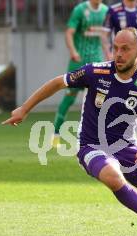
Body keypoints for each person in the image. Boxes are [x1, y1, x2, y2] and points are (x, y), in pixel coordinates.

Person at [2, 28, 137, 236]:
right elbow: (58, 82)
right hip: (91, 146)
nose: (118, 54)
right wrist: (24, 109)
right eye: (115, 48)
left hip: (126, 147)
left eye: (125, 49)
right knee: (114, 178)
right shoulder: (96, 72)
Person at [52, 0, 108, 147]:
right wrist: (73, 51)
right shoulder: (80, 10)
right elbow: (69, 33)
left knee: (100, 100)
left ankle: (97, 137)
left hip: (97, 62)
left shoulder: (105, 11)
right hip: (79, 62)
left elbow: (104, 36)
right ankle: (56, 135)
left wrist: (108, 54)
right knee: (69, 99)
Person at [103, 0, 137, 73]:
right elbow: (105, 34)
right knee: (120, 83)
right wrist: (108, 54)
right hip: (121, 56)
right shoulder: (113, 10)